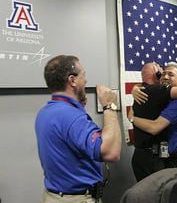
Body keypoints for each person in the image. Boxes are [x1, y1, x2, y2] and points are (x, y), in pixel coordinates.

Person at [35, 55, 122, 203]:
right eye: (83, 75)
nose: (86, 80)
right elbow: (111, 153)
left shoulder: (45, 112)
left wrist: (78, 106)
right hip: (77, 199)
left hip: (54, 196)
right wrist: (109, 106)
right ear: (72, 80)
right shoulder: (71, 116)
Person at [130, 62, 177, 182]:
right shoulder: (164, 99)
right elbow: (150, 89)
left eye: (171, 75)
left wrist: (132, 118)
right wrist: (135, 88)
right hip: (167, 160)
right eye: (163, 74)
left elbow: (155, 128)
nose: (165, 77)